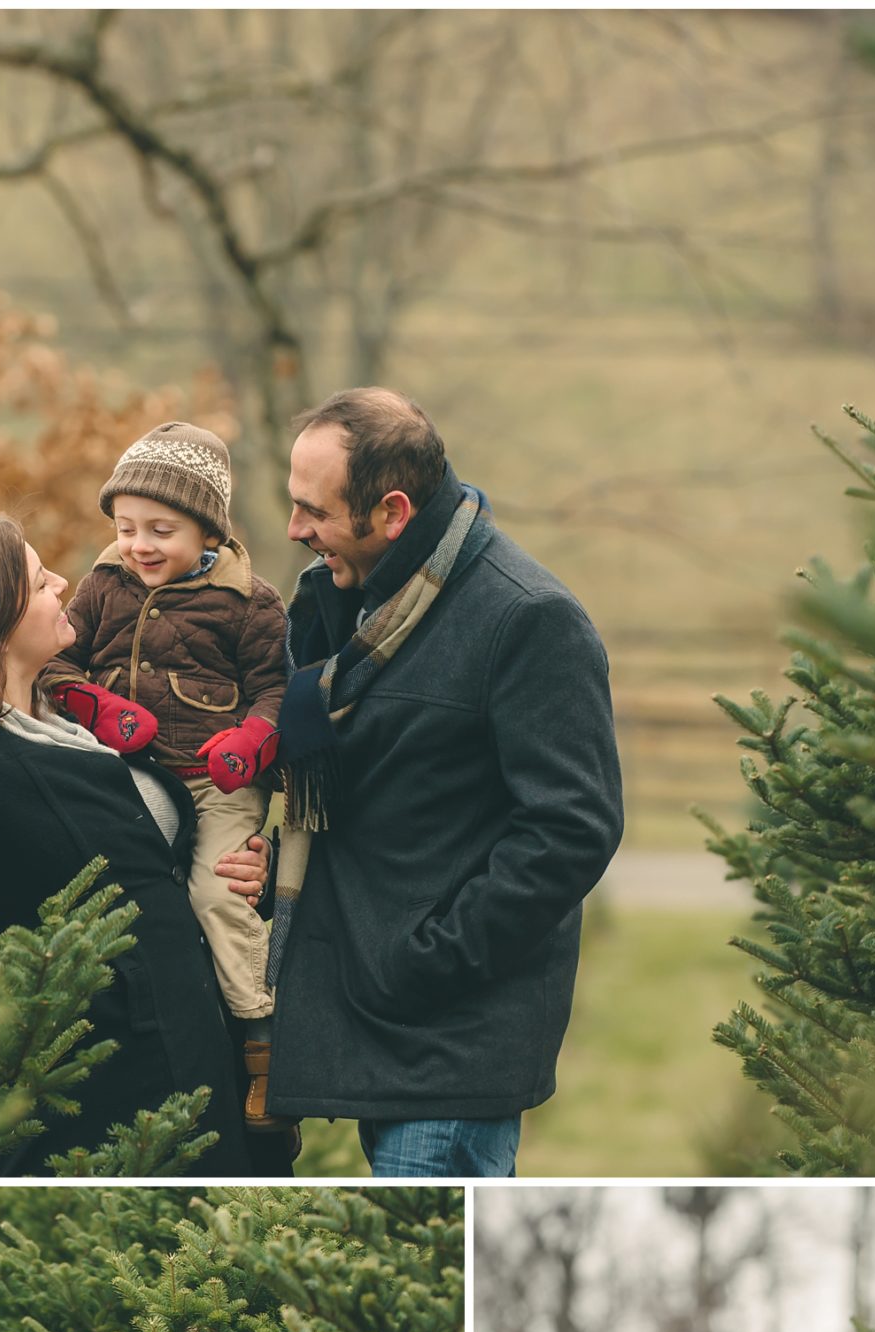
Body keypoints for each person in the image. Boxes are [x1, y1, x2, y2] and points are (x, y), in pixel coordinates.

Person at [266, 387, 625, 1177]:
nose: (295, 531)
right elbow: (374, 795)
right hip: (372, 1022)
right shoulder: (351, 607)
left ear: (392, 512)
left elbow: (572, 830)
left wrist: (424, 958)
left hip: (449, 1046)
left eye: (313, 512)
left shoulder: (526, 619)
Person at [0, 514, 272, 1176]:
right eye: (36, 579)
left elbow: (143, 855)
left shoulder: (71, 720)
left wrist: (249, 866)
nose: (61, 581)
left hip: (199, 1072)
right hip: (104, 1108)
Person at [37, 422, 292, 1134]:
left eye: (161, 529)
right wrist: (96, 705)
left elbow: (276, 690)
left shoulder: (251, 602)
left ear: (207, 529)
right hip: (121, 771)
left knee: (216, 893)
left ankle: (263, 1045)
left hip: (216, 780)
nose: (139, 545)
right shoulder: (101, 585)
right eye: (125, 527)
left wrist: (249, 742)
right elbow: (57, 665)